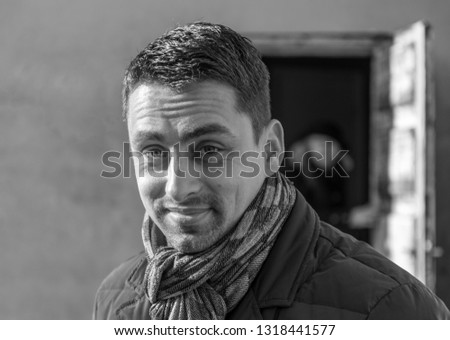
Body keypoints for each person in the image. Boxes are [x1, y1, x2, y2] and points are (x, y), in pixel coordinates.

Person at [93, 22, 450, 320]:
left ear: (270, 151)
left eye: (210, 151)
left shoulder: (389, 309)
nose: (177, 188)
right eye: (153, 153)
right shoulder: (116, 300)